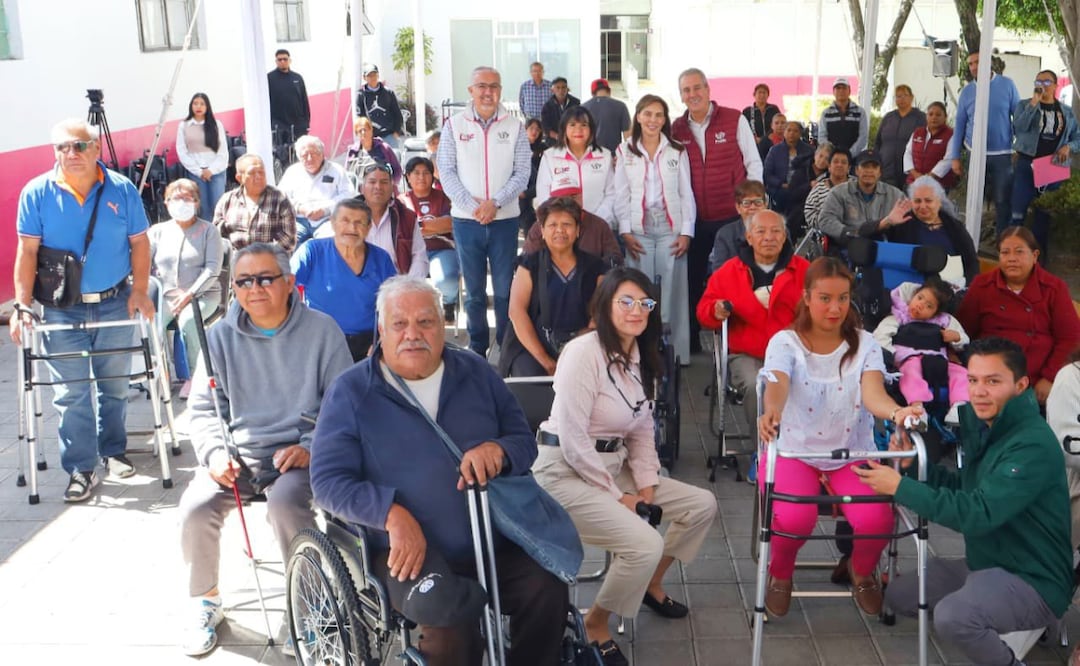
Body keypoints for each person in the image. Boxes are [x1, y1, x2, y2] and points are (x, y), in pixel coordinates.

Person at [310, 276, 572, 666]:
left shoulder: (476, 372)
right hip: (407, 552)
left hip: (493, 536)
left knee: (547, 589)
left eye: (426, 322)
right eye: (399, 324)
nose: (412, 334)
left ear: (443, 326)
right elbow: (328, 482)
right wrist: (390, 514)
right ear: (382, 330)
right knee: (452, 625)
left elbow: (522, 440)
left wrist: (497, 450)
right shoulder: (351, 391)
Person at [533, 267, 718, 666]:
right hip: (562, 470)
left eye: (644, 303)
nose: (637, 310)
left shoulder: (639, 354)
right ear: (605, 306)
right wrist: (621, 498)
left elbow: (641, 428)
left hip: (612, 465)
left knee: (701, 505)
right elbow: (574, 439)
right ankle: (595, 623)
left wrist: (647, 485)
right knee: (643, 543)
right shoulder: (582, 353)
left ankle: (649, 584)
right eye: (626, 301)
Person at [178, 243, 351, 657]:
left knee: (286, 505)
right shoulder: (219, 337)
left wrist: (310, 447)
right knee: (195, 506)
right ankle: (206, 600)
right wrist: (215, 454)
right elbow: (202, 409)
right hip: (237, 455)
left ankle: (305, 605)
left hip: (300, 455)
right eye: (244, 281)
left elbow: (344, 406)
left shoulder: (323, 331)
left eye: (265, 278)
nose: (254, 288)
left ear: (289, 283)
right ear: (233, 289)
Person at [857, 337, 1073, 666]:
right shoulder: (988, 427)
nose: (979, 391)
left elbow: (978, 513)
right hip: (986, 562)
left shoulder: (1032, 444)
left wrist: (900, 487)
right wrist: (909, 467)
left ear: (1021, 385)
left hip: (1034, 577)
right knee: (899, 596)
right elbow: (964, 487)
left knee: (952, 617)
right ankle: (991, 605)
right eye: (973, 380)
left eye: (993, 381)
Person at [757, 257, 923, 618]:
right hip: (794, 451)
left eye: (843, 298)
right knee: (793, 517)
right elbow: (777, 383)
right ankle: (780, 575)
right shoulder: (785, 342)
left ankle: (861, 571)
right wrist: (772, 410)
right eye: (825, 298)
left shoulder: (865, 344)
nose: (835, 308)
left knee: (876, 520)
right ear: (806, 297)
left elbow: (873, 394)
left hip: (851, 451)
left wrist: (897, 412)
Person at [9, 118, 155, 502]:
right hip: (61, 310)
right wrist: (22, 305)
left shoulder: (121, 190)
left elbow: (140, 243)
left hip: (113, 302)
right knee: (70, 393)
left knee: (115, 386)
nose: (70, 154)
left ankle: (113, 450)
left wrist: (140, 290)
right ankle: (81, 467)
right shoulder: (37, 192)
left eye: (79, 146)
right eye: (62, 147)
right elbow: (27, 252)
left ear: (96, 148)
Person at [437, 66, 530, 357]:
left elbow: (523, 172)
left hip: (504, 220)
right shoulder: (454, 125)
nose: (488, 92)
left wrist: (495, 203)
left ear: (501, 90)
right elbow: (446, 172)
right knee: (474, 292)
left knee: (504, 290)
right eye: (482, 86)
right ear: (471, 90)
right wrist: (473, 206)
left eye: (494, 86)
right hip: (467, 221)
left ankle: (506, 346)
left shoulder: (514, 126)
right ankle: (477, 348)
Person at [671, 68, 762, 355]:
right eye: (686, 90)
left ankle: (737, 336)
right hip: (695, 218)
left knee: (736, 277)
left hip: (732, 216)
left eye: (697, 88)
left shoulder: (734, 119)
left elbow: (753, 163)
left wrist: (753, 208)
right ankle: (697, 335)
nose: (692, 94)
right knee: (694, 278)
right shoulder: (677, 128)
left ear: (708, 90)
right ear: (681, 95)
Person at [697, 210, 810, 426]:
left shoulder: (804, 270)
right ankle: (763, 451)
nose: (769, 237)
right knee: (758, 385)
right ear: (749, 237)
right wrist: (716, 310)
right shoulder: (729, 272)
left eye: (776, 231)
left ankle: (796, 446)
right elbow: (703, 311)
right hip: (747, 354)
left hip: (795, 352)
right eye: (761, 231)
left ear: (785, 236)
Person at [615, 94, 696, 364]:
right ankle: (639, 351)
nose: (653, 120)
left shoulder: (676, 150)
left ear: (665, 120)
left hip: (669, 226)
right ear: (638, 116)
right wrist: (625, 231)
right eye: (647, 114)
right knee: (639, 288)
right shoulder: (625, 150)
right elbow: (621, 194)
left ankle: (673, 354)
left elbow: (686, 194)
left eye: (658, 115)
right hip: (638, 229)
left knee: (671, 289)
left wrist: (686, 231)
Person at [957, 227, 1080, 404]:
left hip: (1035, 380)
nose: (1012, 259)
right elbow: (962, 330)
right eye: (1005, 252)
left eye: (1019, 252)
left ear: (1035, 256)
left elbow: (1070, 338)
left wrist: (1049, 377)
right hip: (988, 375)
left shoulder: (1053, 288)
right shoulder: (983, 285)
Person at [502, 196, 607, 377]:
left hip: (582, 345)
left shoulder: (596, 267)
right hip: (533, 347)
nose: (560, 230)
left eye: (567, 224)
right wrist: (546, 361)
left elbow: (600, 313)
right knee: (530, 381)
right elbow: (516, 312)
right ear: (542, 231)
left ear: (577, 230)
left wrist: (577, 353)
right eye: (552, 225)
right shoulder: (529, 265)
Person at [291, 199, 397, 361]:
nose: (352, 228)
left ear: (368, 227)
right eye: (345, 221)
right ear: (332, 224)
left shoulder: (381, 258)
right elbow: (284, 286)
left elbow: (394, 303)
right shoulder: (312, 251)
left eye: (359, 223)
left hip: (369, 345)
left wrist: (384, 338)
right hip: (321, 342)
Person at [149, 179, 224, 398]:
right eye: (176, 198)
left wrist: (190, 294)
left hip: (203, 294)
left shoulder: (208, 231)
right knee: (153, 323)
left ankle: (195, 377)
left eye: (187, 198)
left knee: (189, 321)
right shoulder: (158, 231)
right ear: (166, 202)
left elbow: (212, 269)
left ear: (197, 202)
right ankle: (160, 373)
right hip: (167, 295)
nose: (181, 203)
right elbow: (145, 261)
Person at [872, 279, 970, 421]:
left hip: (938, 360)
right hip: (909, 358)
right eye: (919, 298)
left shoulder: (945, 321)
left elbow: (964, 339)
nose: (920, 305)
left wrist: (956, 338)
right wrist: (889, 357)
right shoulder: (899, 317)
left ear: (936, 312)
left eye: (928, 306)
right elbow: (881, 336)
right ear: (913, 296)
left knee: (962, 373)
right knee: (910, 373)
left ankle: (959, 407)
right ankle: (917, 407)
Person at [948, 50, 1021, 234]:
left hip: (1002, 155)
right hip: (974, 154)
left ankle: (1001, 239)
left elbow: (1019, 117)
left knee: (1002, 200)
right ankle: (971, 236)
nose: (974, 67)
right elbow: (960, 125)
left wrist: (1018, 146)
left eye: (977, 62)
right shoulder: (967, 92)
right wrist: (955, 156)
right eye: (970, 64)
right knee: (973, 199)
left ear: (988, 62)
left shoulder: (1007, 85)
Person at [1011, 69, 1080, 260]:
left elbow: (1077, 137)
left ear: (1056, 86)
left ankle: (1038, 261)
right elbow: (1019, 127)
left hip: (1053, 165)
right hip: (1027, 163)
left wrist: (1068, 146)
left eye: (1047, 82)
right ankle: (1011, 256)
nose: (1042, 85)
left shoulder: (1065, 112)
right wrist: (1034, 103)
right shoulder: (1025, 105)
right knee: (1018, 212)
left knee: (1044, 214)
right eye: (1039, 81)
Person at [871, 176, 979, 287]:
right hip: (909, 289)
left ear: (939, 202)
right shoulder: (903, 223)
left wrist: (964, 284)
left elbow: (972, 263)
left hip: (948, 290)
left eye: (928, 200)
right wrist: (887, 221)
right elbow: (865, 233)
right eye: (917, 201)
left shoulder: (954, 227)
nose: (922, 206)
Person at [399, 156, 459, 321]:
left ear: (433, 176)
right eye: (416, 173)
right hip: (411, 253)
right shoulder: (401, 201)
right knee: (407, 286)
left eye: (426, 173)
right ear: (408, 177)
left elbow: (450, 223)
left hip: (442, 248)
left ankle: (449, 302)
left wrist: (418, 226)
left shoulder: (443, 197)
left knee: (446, 280)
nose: (421, 177)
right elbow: (402, 229)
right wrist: (434, 225)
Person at [535, 105, 616, 225]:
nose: (578, 130)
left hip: (598, 225)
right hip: (562, 228)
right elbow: (543, 196)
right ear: (564, 128)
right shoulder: (550, 157)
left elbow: (612, 193)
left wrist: (597, 220)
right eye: (572, 125)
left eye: (584, 125)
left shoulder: (604, 155)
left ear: (591, 129)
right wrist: (561, 221)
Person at [817, 150, 907, 247]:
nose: (869, 171)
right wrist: (850, 233)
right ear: (856, 170)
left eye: (874, 167)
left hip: (884, 248)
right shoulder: (838, 193)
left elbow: (908, 216)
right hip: (848, 247)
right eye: (865, 166)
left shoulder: (896, 195)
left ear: (880, 172)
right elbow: (825, 220)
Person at [277, 135, 353, 246]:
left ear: (322, 154)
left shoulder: (336, 170)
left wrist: (325, 209)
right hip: (298, 220)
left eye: (313, 154)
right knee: (284, 242)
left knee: (329, 243)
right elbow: (280, 197)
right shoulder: (292, 172)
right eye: (304, 155)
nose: (309, 159)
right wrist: (299, 208)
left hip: (328, 219)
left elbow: (349, 195)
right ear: (299, 157)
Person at [213, 153, 297, 252]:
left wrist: (259, 257)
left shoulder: (279, 199)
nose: (258, 176)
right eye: (252, 173)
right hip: (236, 260)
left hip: (269, 260)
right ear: (239, 178)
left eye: (261, 172)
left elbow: (289, 241)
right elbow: (216, 235)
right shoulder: (227, 200)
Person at [359, 161, 428, 278]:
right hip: (359, 285)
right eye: (372, 182)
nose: (378, 187)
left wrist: (408, 286)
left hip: (396, 286)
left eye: (384, 182)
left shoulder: (406, 217)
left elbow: (419, 257)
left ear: (392, 188)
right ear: (362, 188)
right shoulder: (349, 216)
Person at [523, 187, 623, 266]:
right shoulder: (539, 226)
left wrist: (595, 270)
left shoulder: (599, 225)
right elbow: (528, 260)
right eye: (561, 199)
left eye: (573, 197)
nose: (568, 202)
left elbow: (614, 259)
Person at [175, 92, 229, 221]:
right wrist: (199, 171)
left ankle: (220, 236)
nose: (198, 107)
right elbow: (182, 152)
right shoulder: (184, 126)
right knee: (202, 209)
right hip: (196, 173)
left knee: (218, 207)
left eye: (202, 104)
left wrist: (211, 170)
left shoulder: (216, 125)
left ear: (207, 107)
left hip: (216, 172)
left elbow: (222, 152)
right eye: (195, 103)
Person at [706, 180, 768, 274]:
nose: (752, 207)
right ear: (738, 208)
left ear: (765, 205)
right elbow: (719, 274)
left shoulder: (780, 230)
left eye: (758, 202)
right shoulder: (724, 235)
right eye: (746, 203)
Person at [873, 85, 926, 189]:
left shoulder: (920, 118)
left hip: (910, 173)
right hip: (887, 171)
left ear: (911, 97)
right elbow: (878, 143)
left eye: (905, 95)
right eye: (898, 96)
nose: (901, 99)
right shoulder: (889, 117)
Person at [784, 141, 833, 239]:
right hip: (800, 207)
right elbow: (791, 195)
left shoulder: (830, 175)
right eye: (820, 156)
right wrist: (809, 186)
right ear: (815, 155)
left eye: (827, 159)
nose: (822, 160)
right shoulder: (801, 170)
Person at [903, 101, 956, 190]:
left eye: (938, 115)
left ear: (945, 117)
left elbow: (948, 159)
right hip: (914, 182)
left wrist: (929, 177)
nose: (934, 117)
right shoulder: (918, 132)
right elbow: (908, 153)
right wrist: (915, 174)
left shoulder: (951, 135)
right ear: (926, 116)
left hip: (938, 185)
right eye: (930, 114)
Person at [763, 121, 813, 214]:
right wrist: (781, 184)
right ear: (784, 132)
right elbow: (767, 174)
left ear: (800, 133)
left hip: (802, 188)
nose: (791, 133)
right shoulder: (775, 150)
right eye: (789, 130)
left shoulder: (808, 150)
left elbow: (812, 172)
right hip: (780, 189)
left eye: (795, 131)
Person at [803, 148, 853, 232]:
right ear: (829, 166)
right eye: (836, 162)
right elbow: (809, 213)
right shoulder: (818, 189)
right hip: (825, 235)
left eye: (844, 162)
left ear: (849, 168)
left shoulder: (858, 186)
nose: (839, 165)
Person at [345, 115, 403, 187]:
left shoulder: (384, 148)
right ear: (357, 134)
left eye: (365, 129)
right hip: (358, 191)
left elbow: (397, 170)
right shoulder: (352, 151)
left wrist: (391, 184)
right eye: (360, 131)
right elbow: (347, 175)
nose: (363, 133)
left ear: (371, 131)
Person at [355, 63, 403, 149]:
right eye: (369, 75)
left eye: (374, 74)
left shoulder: (388, 93)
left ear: (378, 75)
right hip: (371, 138)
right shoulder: (361, 95)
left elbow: (397, 114)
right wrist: (364, 135)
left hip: (389, 136)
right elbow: (360, 118)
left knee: (394, 160)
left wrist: (396, 132)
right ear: (364, 78)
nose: (372, 78)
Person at [818, 77, 869, 154]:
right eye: (838, 88)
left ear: (849, 91)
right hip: (832, 159)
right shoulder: (826, 113)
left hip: (854, 158)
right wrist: (833, 153)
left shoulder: (860, 112)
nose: (841, 91)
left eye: (844, 88)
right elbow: (822, 137)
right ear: (833, 91)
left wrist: (850, 154)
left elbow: (863, 137)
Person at [267, 49, 310, 137]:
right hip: (279, 125)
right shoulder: (269, 78)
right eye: (279, 59)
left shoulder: (297, 78)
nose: (282, 61)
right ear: (276, 61)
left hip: (298, 125)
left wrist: (306, 123)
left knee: (299, 149)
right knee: (282, 150)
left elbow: (304, 101)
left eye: (285, 59)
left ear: (289, 60)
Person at [582, 78, 631, 152]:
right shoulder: (621, 106)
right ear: (609, 91)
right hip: (613, 155)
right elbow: (628, 136)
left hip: (589, 154)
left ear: (592, 93)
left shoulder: (583, 108)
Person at [520, 117, 550, 237]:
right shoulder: (519, 147)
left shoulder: (543, 149)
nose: (534, 132)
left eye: (537, 129)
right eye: (531, 128)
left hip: (535, 186)